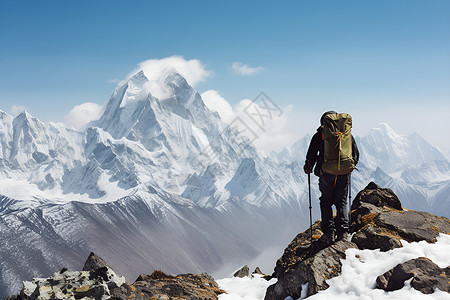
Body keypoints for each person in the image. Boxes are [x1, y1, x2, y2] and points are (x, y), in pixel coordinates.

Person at [303, 111, 359, 245]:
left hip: (326, 174)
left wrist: (308, 167)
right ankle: (343, 233)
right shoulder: (346, 135)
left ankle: (328, 233)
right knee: (342, 201)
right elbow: (356, 155)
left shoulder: (319, 135)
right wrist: (347, 168)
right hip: (343, 174)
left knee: (326, 201)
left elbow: (311, 155)